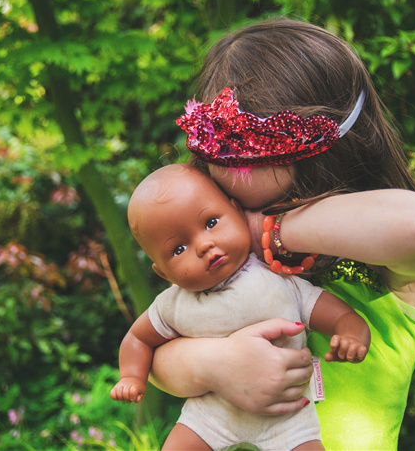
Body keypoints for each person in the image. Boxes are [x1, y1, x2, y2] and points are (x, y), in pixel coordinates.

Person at [149, 17, 415, 450]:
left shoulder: (382, 267)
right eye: (223, 145)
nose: (239, 166)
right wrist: (216, 364)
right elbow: (158, 358)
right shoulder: (217, 258)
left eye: (254, 147)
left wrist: (275, 232)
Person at [111, 163, 371, 451]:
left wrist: (351, 334)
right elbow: (137, 338)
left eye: (211, 223)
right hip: (211, 415)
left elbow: (338, 315)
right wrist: (131, 377)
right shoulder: (174, 304)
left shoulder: (277, 279)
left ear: (236, 211)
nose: (204, 245)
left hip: (288, 416)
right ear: (163, 273)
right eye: (178, 249)